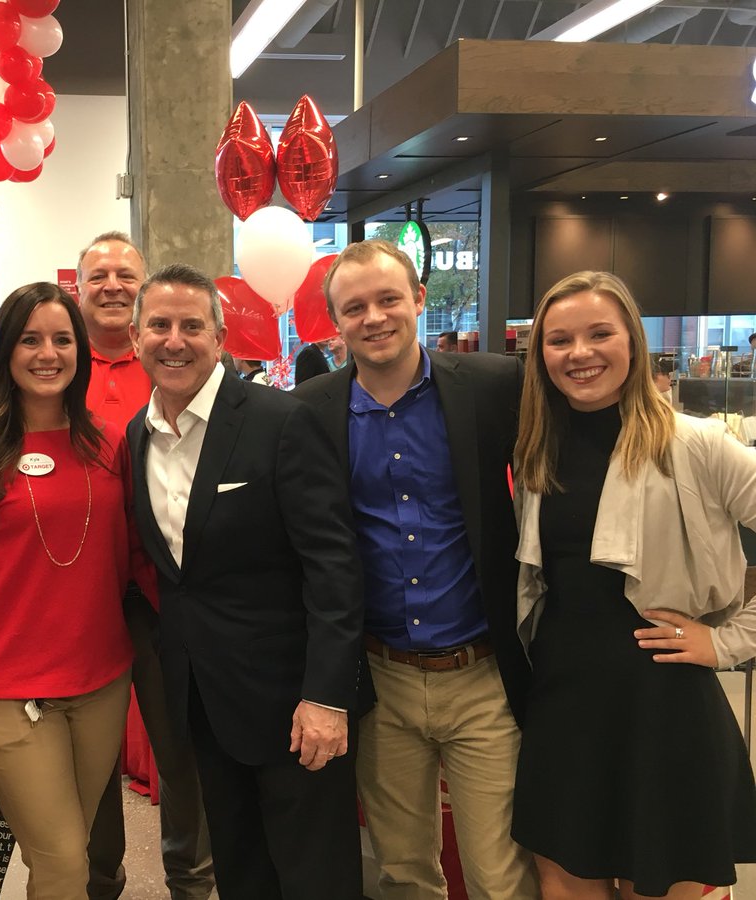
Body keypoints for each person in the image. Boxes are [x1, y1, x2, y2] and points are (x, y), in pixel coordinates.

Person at [295, 239, 537, 900]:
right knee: (404, 873)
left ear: (419, 299)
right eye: (354, 307)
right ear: (336, 323)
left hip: (482, 673)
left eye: (388, 299)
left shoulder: (493, 387)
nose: (373, 317)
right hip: (381, 681)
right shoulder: (311, 410)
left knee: (498, 875)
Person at [512, 271, 756, 900]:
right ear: (541, 353)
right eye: (559, 339)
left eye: (600, 334)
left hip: (665, 703)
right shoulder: (536, 449)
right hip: (564, 701)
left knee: (669, 884)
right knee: (564, 880)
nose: (580, 353)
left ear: (634, 342)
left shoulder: (694, 444)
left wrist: (729, 641)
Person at [126, 263, 365, 900]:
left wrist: (327, 695)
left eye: (191, 327)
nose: (174, 340)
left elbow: (333, 566)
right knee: (240, 869)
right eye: (159, 325)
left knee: (316, 877)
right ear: (135, 337)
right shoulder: (136, 437)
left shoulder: (279, 420)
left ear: (220, 337)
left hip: (293, 705)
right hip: (203, 701)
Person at [0, 282, 151, 900]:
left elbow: (134, 558)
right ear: (7, 353)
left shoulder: (108, 443)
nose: (47, 353)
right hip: (6, 694)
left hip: (102, 684)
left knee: (76, 847)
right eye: (30, 339)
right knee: (61, 863)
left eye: (61, 339)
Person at [76, 232, 213, 900]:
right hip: (84, 605)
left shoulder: (172, 365)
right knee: (93, 762)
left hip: (166, 604)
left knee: (181, 753)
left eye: (124, 274)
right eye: (97, 274)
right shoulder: (57, 371)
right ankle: (101, 881)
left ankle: (190, 881)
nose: (110, 284)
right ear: (79, 288)